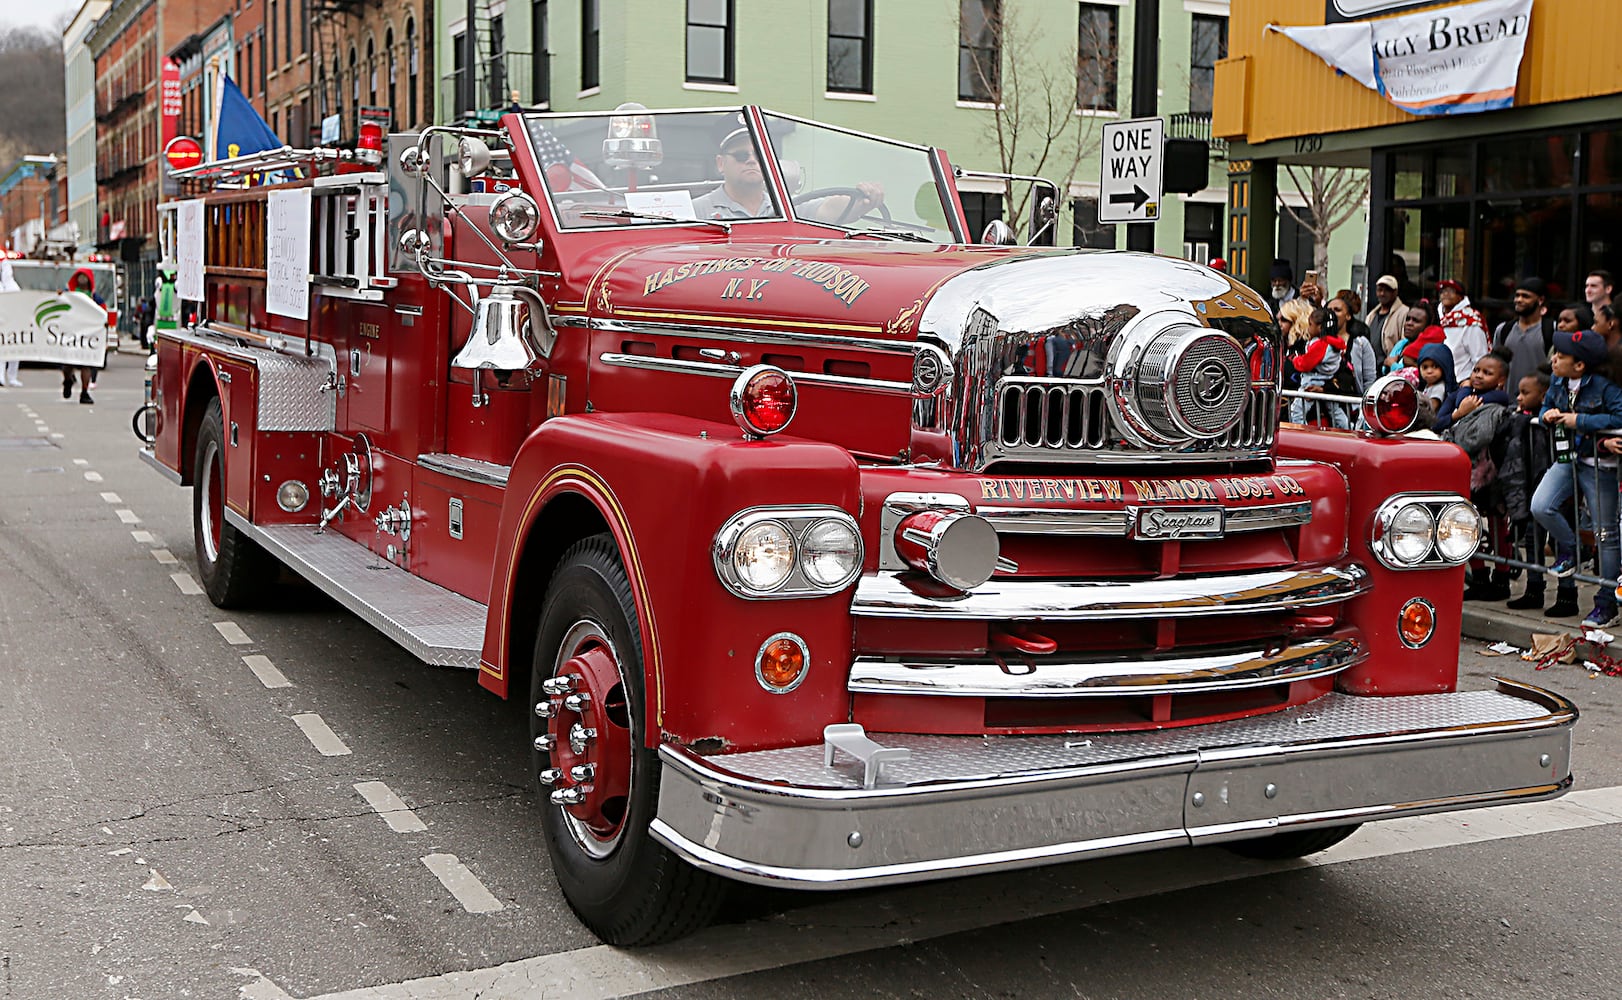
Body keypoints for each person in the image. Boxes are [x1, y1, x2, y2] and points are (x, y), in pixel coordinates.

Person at [1530, 328, 1622, 626]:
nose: (1554, 359)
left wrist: (1578, 420)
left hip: (1599, 465)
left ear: (1579, 365)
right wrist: (1546, 414)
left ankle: (1607, 604)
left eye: (1561, 355)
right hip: (1567, 459)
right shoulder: (1558, 380)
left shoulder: (1605, 387)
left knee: (1605, 534)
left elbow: (1620, 417)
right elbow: (1546, 405)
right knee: (1541, 505)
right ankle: (1571, 548)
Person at [1438, 352, 1515, 600]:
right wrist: (1460, 412)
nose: (1479, 376)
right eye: (1476, 370)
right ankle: (1479, 578)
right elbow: (1438, 422)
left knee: (1496, 523)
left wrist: (1460, 416)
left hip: (1491, 474)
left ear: (1501, 380)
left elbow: (1475, 438)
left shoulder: (1498, 405)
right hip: (1463, 471)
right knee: (1463, 523)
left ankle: (1502, 579)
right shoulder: (1462, 398)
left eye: (1487, 372)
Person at [1502, 372, 1555, 610]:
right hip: (1529, 487)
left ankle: (1567, 593)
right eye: (1519, 392)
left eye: (1526, 393)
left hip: (1550, 489)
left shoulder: (1547, 420)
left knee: (1559, 544)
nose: (1519, 398)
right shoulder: (1520, 419)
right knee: (1532, 539)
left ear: (1543, 395)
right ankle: (1534, 589)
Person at [1289, 306, 1351, 428]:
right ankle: (1348, 431)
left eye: (1310, 324)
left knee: (1296, 412)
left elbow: (1305, 364)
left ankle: (1302, 435)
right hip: (1328, 379)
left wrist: (1295, 360)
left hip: (1313, 381)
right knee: (1335, 412)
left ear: (1320, 327)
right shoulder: (1335, 343)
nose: (1308, 327)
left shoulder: (1321, 345)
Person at [1492, 277, 1555, 392]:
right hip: (1507, 402)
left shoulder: (1552, 330)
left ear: (1540, 300)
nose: (1519, 300)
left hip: (1540, 403)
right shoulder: (1503, 330)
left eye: (1525, 296)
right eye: (1517, 295)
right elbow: (1495, 365)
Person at [61, 268, 102, 405]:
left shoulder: (94, 297)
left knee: (86, 364)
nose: (82, 279)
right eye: (80, 276)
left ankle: (84, 392)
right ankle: (68, 381)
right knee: (68, 364)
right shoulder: (70, 293)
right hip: (71, 333)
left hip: (87, 335)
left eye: (85, 277)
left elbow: (103, 313)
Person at [1436, 279, 1490, 384]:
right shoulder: (1439, 317)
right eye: (1443, 291)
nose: (1446, 294)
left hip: (1463, 382)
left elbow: (1480, 358)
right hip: (1441, 380)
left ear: (1460, 297)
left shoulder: (1471, 321)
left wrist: (1471, 382)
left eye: (1451, 291)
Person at [1327, 295, 1377, 393]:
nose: (1331, 313)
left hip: (1352, 404)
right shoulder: (1317, 341)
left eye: (1337, 310)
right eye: (1328, 310)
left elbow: (1369, 380)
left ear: (1348, 316)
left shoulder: (1361, 343)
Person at [1366, 275, 1410, 360]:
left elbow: (1405, 342)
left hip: (1389, 365)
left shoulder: (1404, 312)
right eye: (1380, 290)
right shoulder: (1372, 315)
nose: (1382, 293)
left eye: (1387, 290)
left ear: (1395, 292)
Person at [1414, 341, 1458, 414]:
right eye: (1425, 367)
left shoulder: (1439, 387)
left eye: (1435, 366)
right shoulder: (1428, 385)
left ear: (1444, 367)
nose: (1429, 371)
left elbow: (1432, 408)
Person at [0, 256, 20, 387]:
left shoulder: (13, 286)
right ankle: (1, 376)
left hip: (13, 322)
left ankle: (12, 376)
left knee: (15, 350)